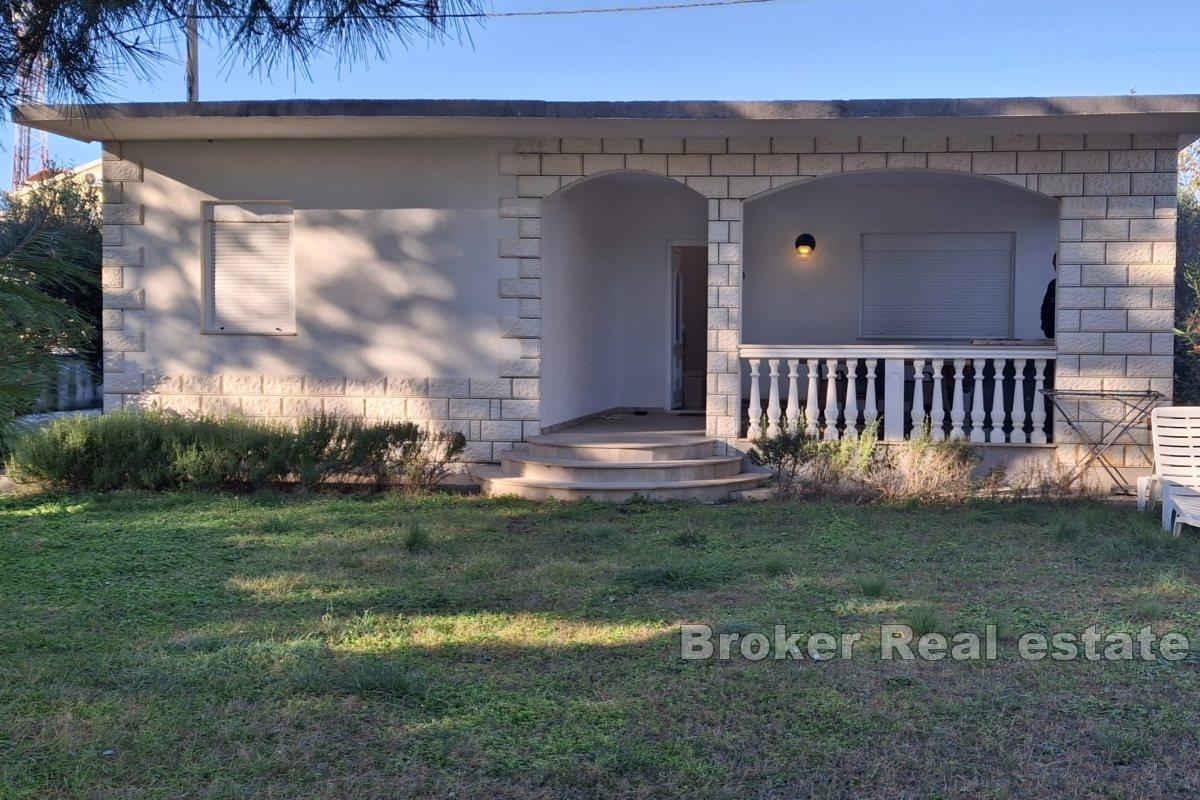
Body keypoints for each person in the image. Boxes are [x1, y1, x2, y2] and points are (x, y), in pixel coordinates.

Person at [1039, 254, 1056, 339]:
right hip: (1053, 335)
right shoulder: (1053, 285)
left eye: (1056, 264)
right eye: (1054, 265)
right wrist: (1048, 330)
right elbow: (1045, 310)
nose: (1055, 268)